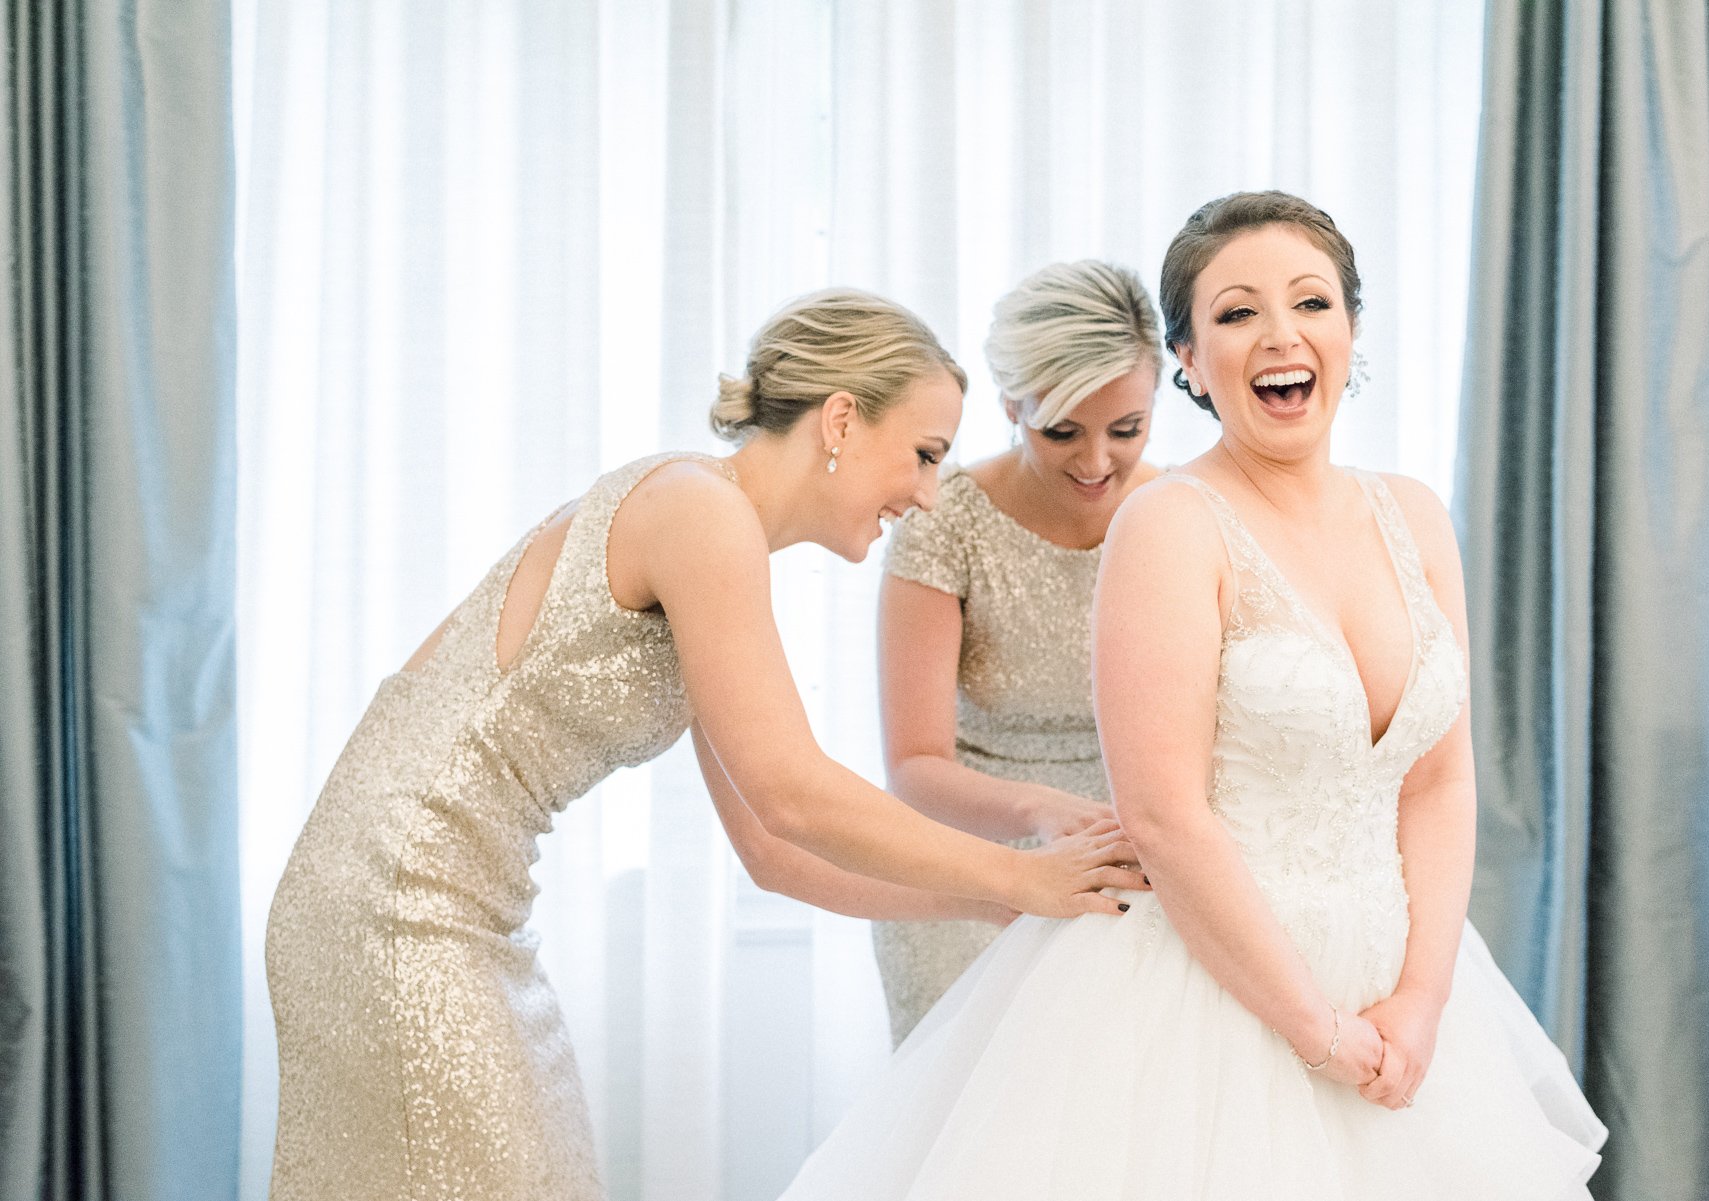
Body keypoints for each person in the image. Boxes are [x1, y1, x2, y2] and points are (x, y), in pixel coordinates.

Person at [778, 195, 1607, 1199]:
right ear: (1188, 358)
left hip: (1397, 979)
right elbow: (1166, 815)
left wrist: (1422, 999)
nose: (1279, 334)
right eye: (1235, 313)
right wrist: (1313, 1027)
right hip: (1211, 982)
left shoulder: (1417, 517)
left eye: (1310, 301)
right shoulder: (1169, 523)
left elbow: (1438, 780)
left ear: (1352, 328)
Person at [263, 288, 1149, 1201]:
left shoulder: (705, 528)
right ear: (841, 418)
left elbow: (772, 852)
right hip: (394, 898)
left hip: (456, 905)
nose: (927, 495)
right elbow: (791, 791)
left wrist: (986, 904)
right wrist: (1015, 874)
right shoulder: (698, 510)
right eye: (923, 455)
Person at [871, 260, 1162, 1043]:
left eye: (1126, 430)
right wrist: (1039, 812)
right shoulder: (946, 523)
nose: (1096, 462)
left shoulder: (1181, 517)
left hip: (1139, 871)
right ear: (1010, 404)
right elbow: (915, 764)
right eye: (1061, 430)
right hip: (969, 877)